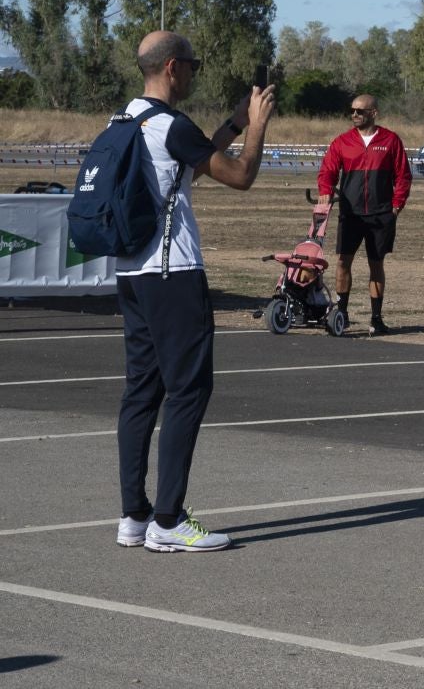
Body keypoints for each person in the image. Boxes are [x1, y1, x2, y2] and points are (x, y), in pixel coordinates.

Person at [114, 30, 275, 552]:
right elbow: (241, 175)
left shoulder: (127, 120)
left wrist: (233, 123)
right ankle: (168, 520)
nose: (194, 73)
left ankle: (134, 516)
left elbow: (186, 163)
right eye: (193, 65)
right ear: (173, 68)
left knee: (142, 391)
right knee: (188, 390)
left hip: (133, 273)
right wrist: (257, 129)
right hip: (173, 272)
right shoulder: (172, 124)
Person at [316, 93, 411, 335]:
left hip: (381, 215)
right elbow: (327, 171)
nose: (355, 115)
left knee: (376, 264)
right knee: (342, 262)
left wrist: (396, 206)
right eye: (352, 111)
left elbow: (403, 176)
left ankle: (376, 319)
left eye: (360, 111)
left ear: (373, 113)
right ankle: (342, 314)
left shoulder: (391, 141)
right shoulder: (342, 142)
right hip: (351, 214)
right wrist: (325, 191)